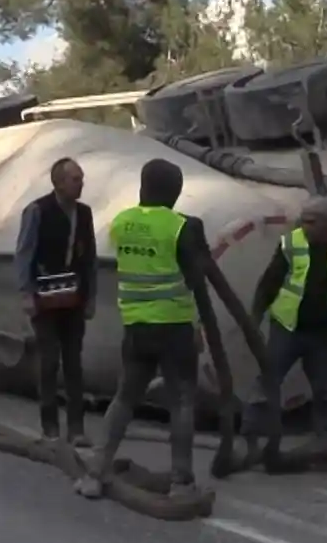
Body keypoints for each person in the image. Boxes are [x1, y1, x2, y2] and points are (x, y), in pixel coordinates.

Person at [78, 158, 227, 501]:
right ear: (175, 192)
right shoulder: (183, 227)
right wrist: (201, 325)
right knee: (182, 403)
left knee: (124, 399)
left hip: (136, 328)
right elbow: (196, 281)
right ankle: (181, 482)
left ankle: (95, 472)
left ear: (142, 187)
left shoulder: (120, 223)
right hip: (174, 328)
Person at [243, 197, 327, 452]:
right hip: (287, 327)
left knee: (326, 390)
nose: (305, 226)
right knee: (267, 382)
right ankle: (251, 439)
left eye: (311, 222)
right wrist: (255, 318)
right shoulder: (292, 243)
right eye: (303, 221)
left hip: (324, 333)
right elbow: (269, 283)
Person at [13, 157, 97, 446]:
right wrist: (26, 293)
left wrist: (91, 297)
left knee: (74, 363)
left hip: (74, 296)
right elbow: (24, 253)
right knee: (49, 361)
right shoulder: (37, 211)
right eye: (75, 179)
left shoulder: (84, 214)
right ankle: (49, 426)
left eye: (81, 178)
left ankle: (76, 428)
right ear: (58, 182)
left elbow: (90, 259)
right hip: (44, 297)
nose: (81, 183)